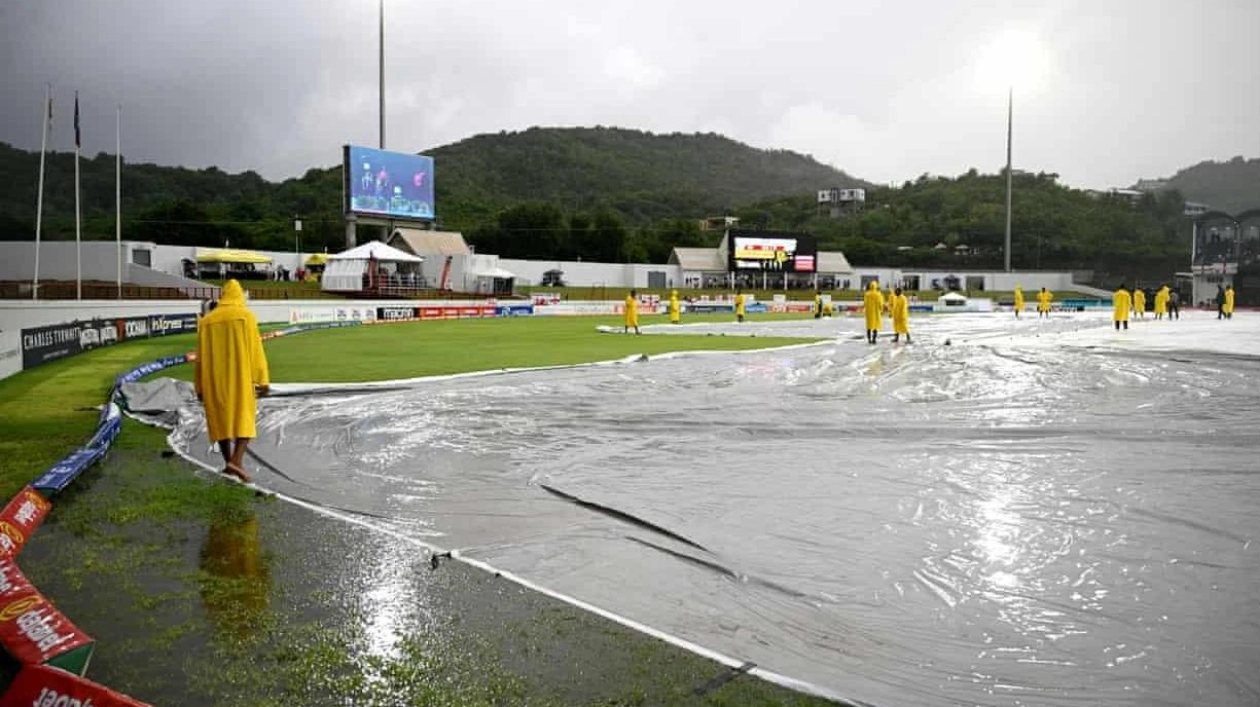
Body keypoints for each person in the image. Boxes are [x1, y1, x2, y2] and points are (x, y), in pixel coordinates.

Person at [194, 279, 269, 483]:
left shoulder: (207, 320)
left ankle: (230, 464)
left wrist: (199, 386)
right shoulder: (246, 317)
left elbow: (199, 358)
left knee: (221, 422)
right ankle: (236, 461)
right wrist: (262, 379)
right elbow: (256, 350)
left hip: (214, 379)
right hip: (239, 377)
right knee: (245, 420)